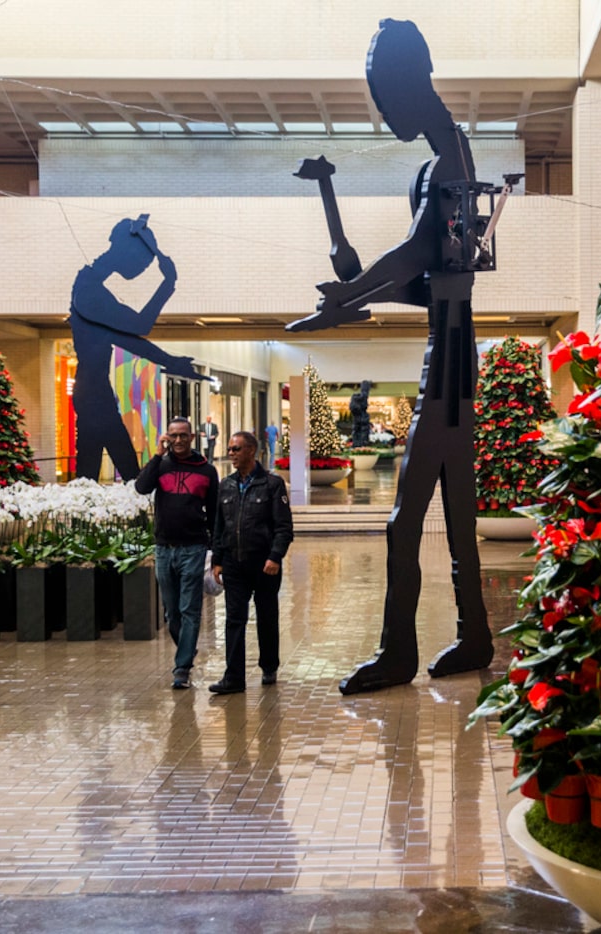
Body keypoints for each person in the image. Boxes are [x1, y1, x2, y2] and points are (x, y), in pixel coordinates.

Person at [286, 19, 493, 693]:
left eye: (386, 96)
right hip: (453, 349)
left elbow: (412, 258)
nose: (385, 113)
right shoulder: (439, 162)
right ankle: (473, 635)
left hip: (451, 360)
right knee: (457, 512)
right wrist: (354, 297)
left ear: (412, 82)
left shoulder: (450, 160)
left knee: (405, 521)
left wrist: (354, 287)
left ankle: (398, 653)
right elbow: (427, 280)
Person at [69, 214, 202, 481]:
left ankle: (98, 517)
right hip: (93, 394)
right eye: (143, 261)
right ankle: (132, 516)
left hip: (94, 391)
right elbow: (139, 326)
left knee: (98, 472)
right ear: (124, 250)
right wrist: (168, 283)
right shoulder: (89, 291)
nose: (143, 268)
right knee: (126, 474)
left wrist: (171, 362)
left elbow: (128, 339)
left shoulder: (91, 286)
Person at [134, 416, 219, 689]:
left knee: (189, 609)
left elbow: (215, 515)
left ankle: (182, 668)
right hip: (163, 548)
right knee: (172, 613)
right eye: (173, 436)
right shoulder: (162, 465)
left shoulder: (206, 470)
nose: (179, 440)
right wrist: (157, 455)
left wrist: (216, 553)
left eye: (183, 435)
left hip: (193, 548)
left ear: (192, 438)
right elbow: (141, 487)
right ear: (167, 438)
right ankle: (187, 647)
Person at [209, 431, 294, 695]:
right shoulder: (226, 485)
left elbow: (284, 527)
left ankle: (269, 666)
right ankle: (233, 677)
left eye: (236, 449)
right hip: (235, 564)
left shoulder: (271, 484)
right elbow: (220, 527)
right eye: (230, 449)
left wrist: (275, 556)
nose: (231, 453)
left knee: (267, 616)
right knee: (234, 619)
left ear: (251, 451)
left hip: (264, 564)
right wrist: (218, 560)